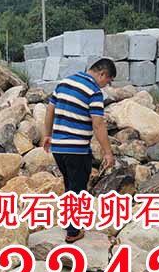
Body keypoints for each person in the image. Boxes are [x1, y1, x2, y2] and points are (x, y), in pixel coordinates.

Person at [43, 58, 116, 243]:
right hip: (76, 149)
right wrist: (108, 152)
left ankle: (69, 221)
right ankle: (73, 231)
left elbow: (50, 110)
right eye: (108, 81)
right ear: (102, 74)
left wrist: (47, 135)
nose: (105, 86)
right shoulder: (94, 91)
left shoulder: (64, 83)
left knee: (70, 185)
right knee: (77, 189)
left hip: (58, 148)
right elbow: (98, 124)